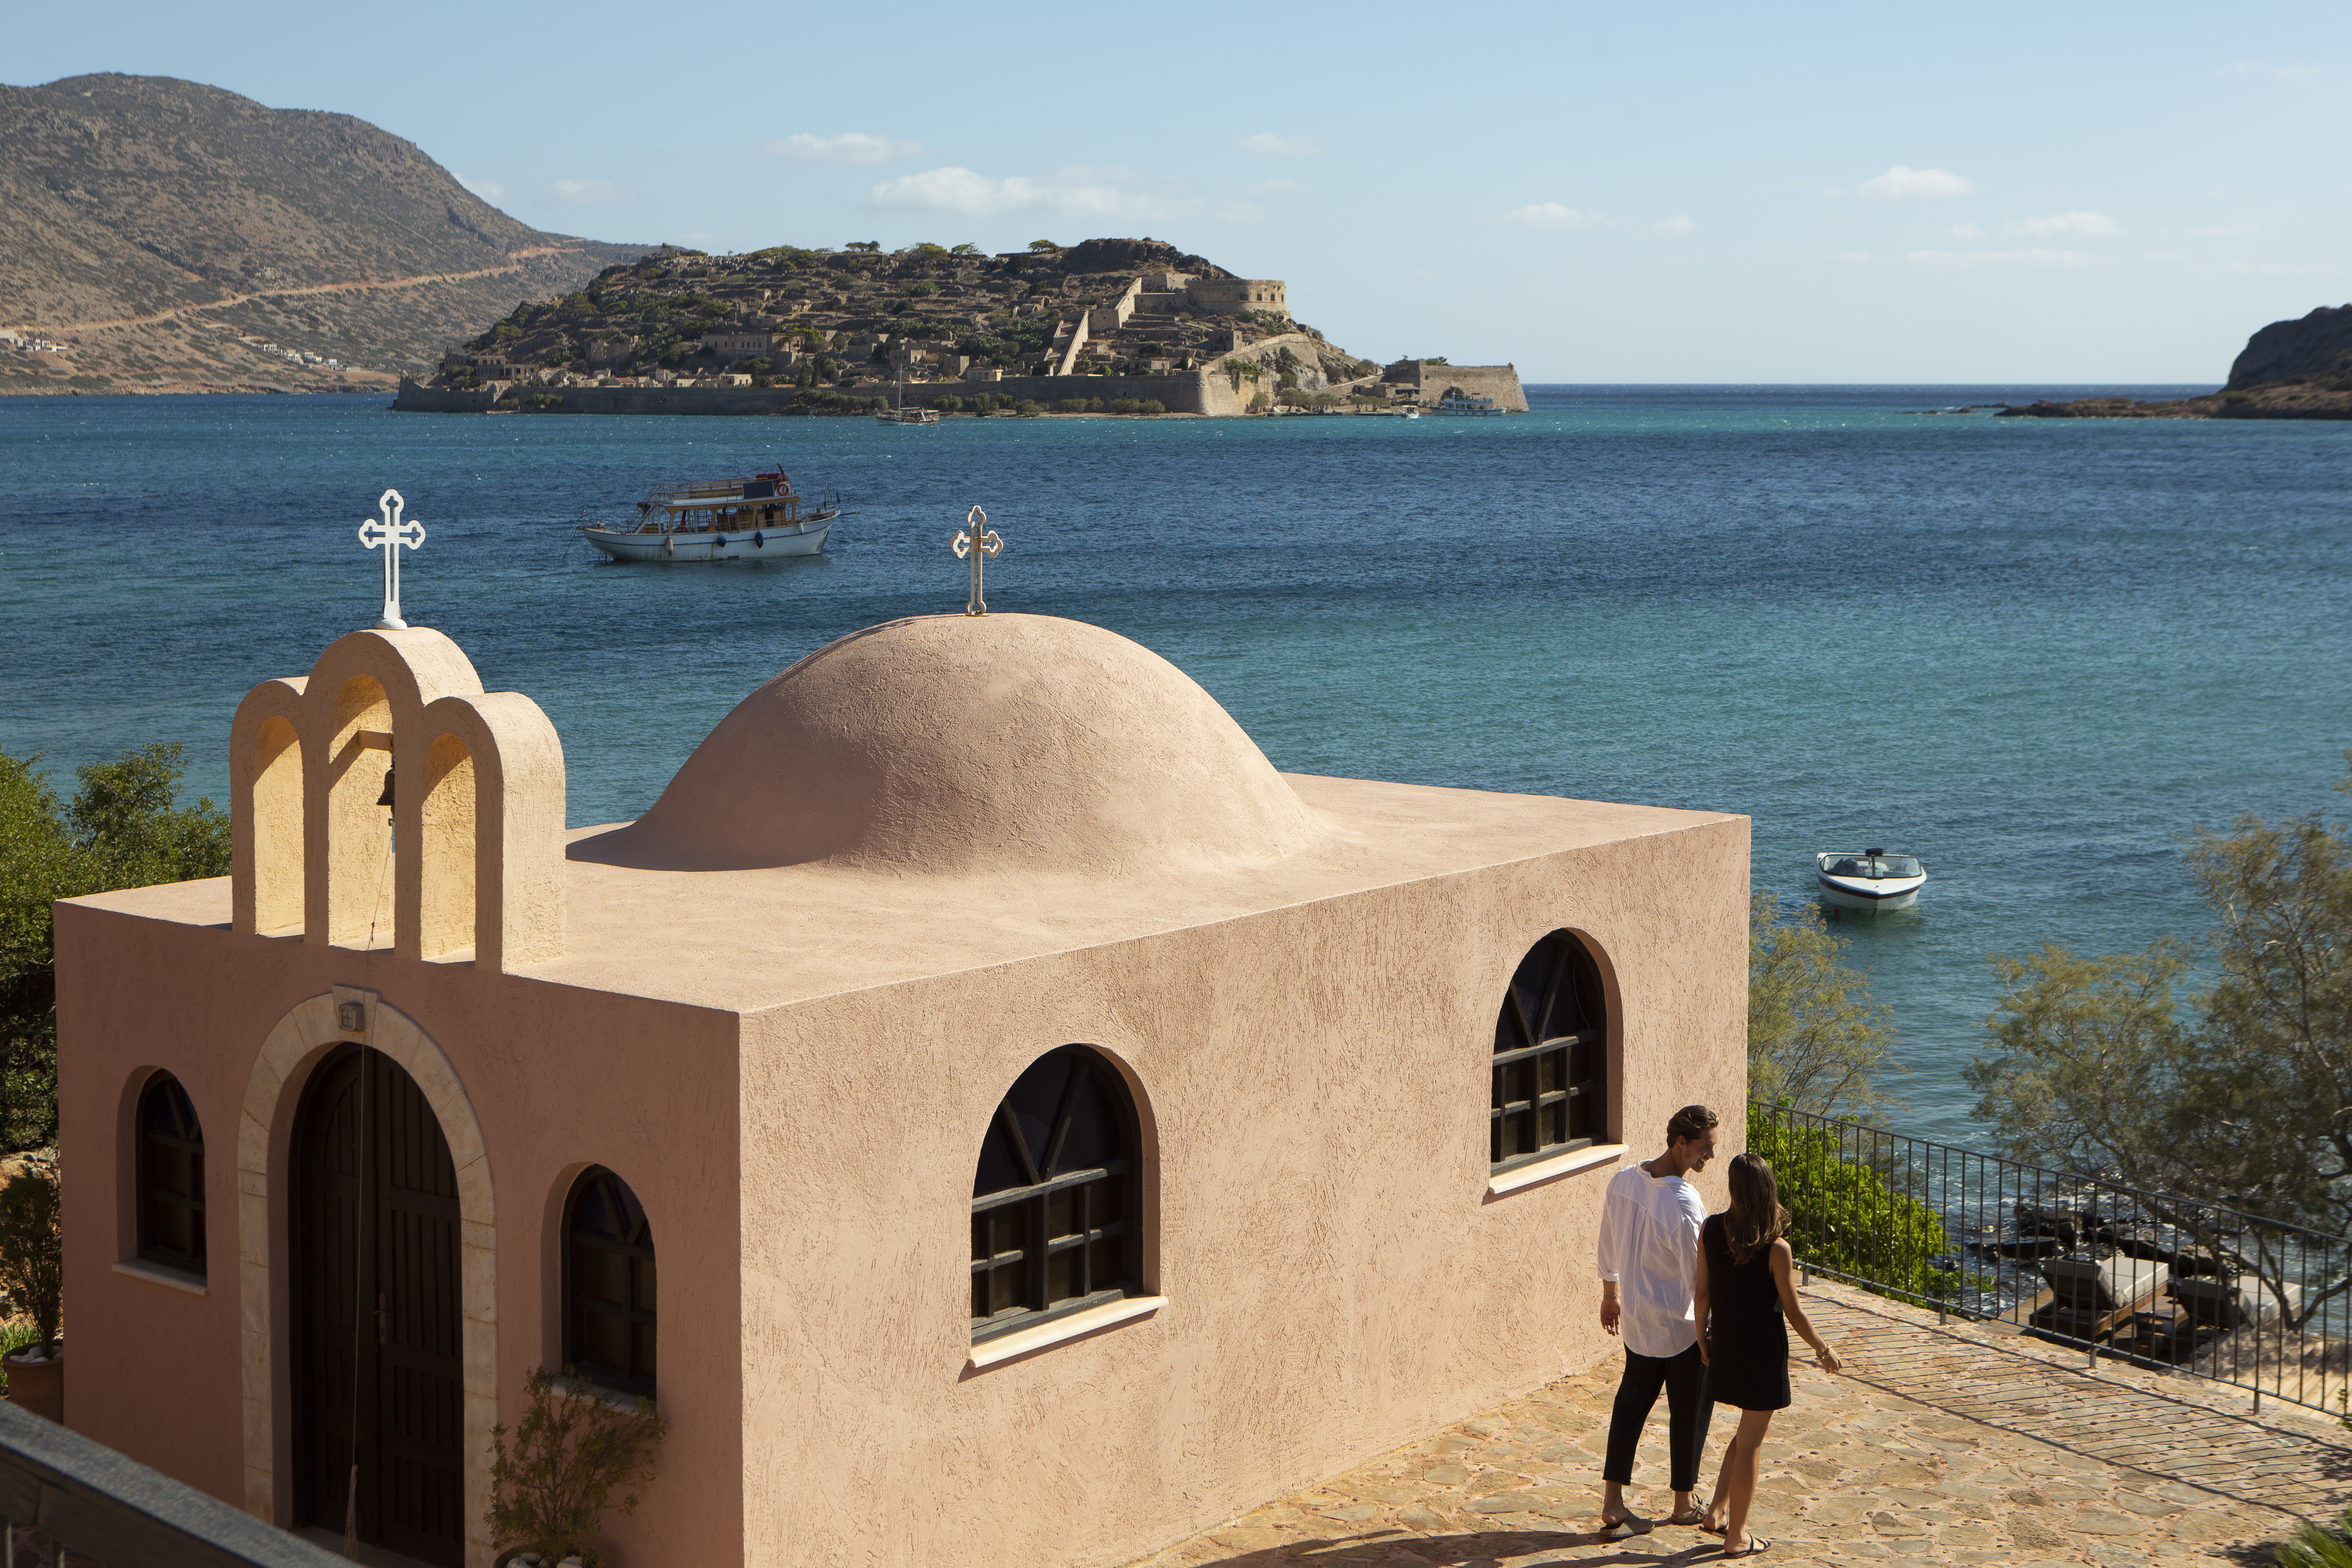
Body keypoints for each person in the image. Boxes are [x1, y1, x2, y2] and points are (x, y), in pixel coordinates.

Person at [1694, 1152, 1842, 1559]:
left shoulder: (1709, 1230)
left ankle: (1717, 1511)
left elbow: (1702, 1292)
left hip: (1725, 1343)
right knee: (1752, 1442)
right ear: (1767, 1190)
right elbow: (1793, 1311)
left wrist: (1702, 1336)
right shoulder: (1777, 1249)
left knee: (1745, 1436)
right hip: (1762, 1354)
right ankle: (1738, 1536)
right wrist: (1822, 1349)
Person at [1595, 1104, 1719, 1536]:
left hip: (1637, 1323)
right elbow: (1696, 1276)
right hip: (1680, 1326)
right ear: (1681, 1143)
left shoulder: (1624, 1181)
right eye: (1706, 1148)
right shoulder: (1684, 1202)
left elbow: (1607, 1241)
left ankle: (1613, 1503)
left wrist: (1610, 1295)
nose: (1711, 1156)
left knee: (1630, 1407)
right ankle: (1684, 1503)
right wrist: (1706, 1330)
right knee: (1690, 1411)